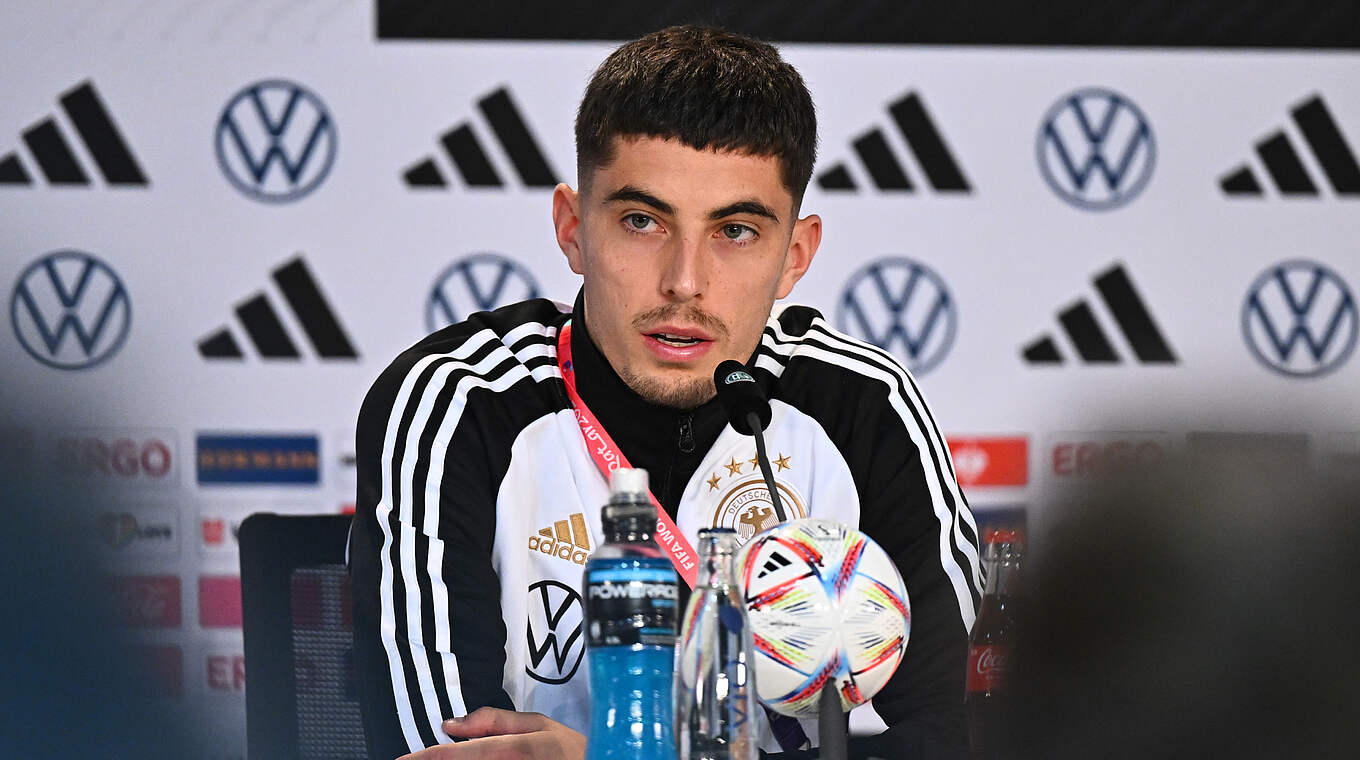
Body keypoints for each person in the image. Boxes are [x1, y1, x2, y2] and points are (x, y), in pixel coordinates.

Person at [349, 25, 982, 760]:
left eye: (735, 231)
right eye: (642, 221)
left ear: (794, 255)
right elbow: (441, 752)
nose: (685, 282)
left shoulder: (865, 409)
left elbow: (951, 739)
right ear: (572, 229)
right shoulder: (457, 403)